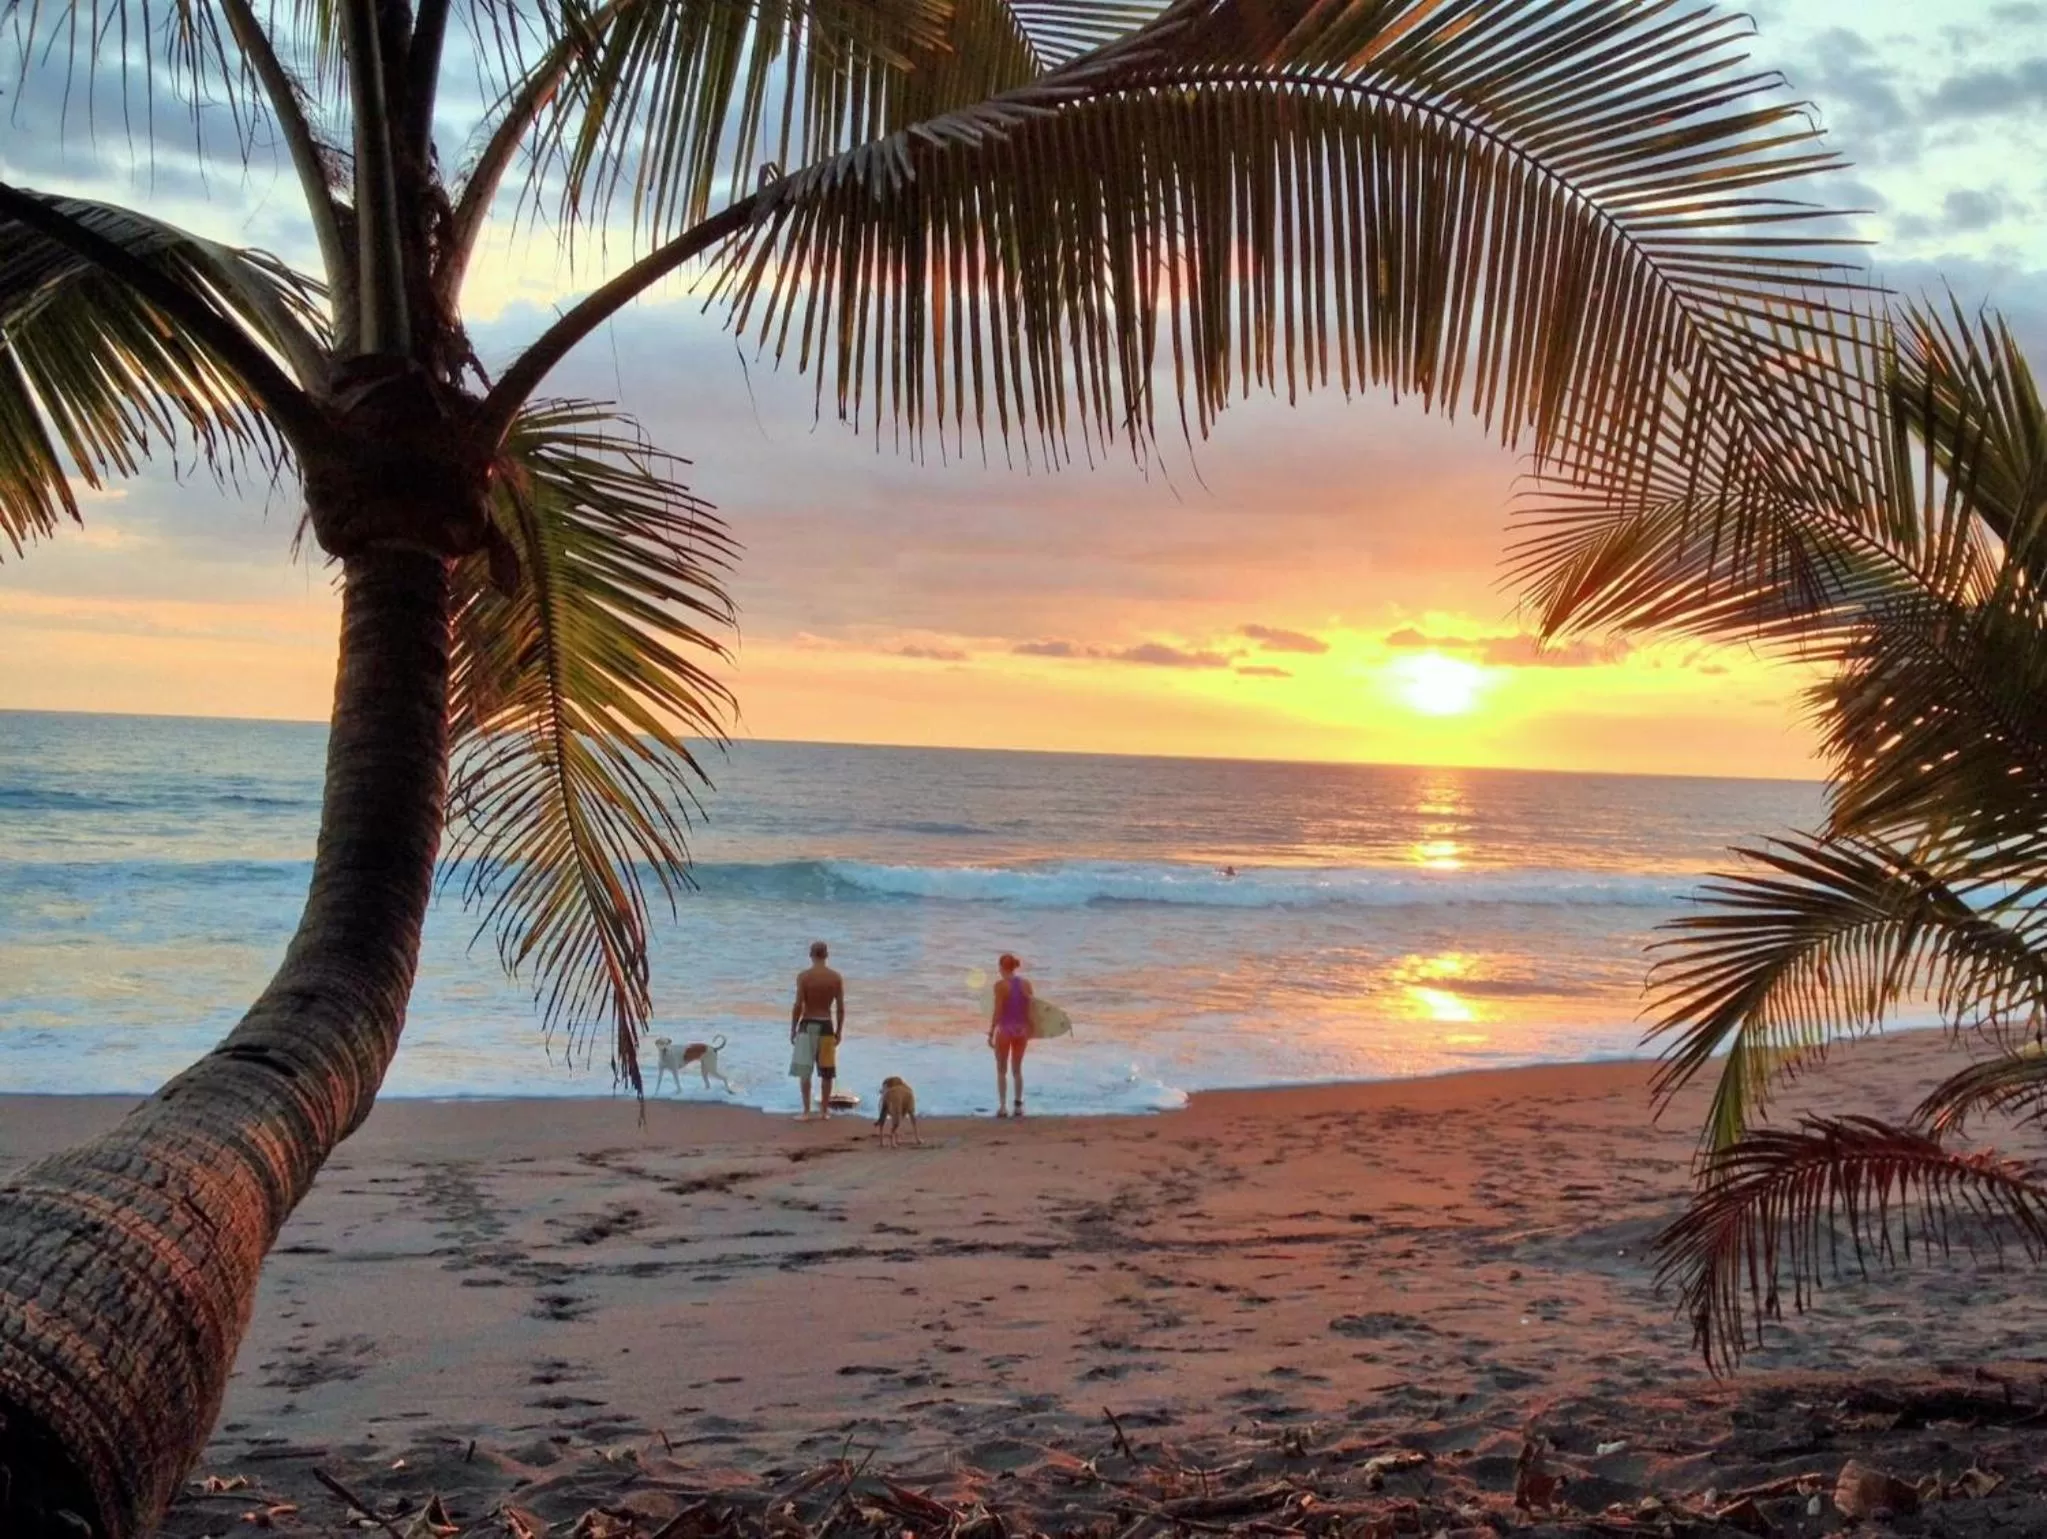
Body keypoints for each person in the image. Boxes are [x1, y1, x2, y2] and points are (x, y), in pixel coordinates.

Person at [791, 940, 844, 1119]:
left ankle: (806, 1111)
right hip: (826, 1025)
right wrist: (839, 1031)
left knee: (805, 1070)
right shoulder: (835, 977)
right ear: (826, 955)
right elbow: (841, 1008)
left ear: (811, 955)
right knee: (827, 1071)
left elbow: (798, 1005)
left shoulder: (804, 977)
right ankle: (824, 1111)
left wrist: (792, 1029)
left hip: (807, 1024)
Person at [987, 952, 1033, 1118]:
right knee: (1017, 1069)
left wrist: (991, 1032)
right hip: (1022, 1031)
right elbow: (1031, 1008)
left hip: (1005, 1030)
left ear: (1001, 967)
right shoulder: (1026, 984)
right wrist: (1029, 1028)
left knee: (1001, 1070)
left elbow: (998, 1011)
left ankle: (1003, 1107)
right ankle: (1018, 1106)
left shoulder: (1000, 986)